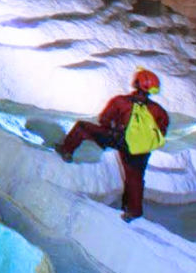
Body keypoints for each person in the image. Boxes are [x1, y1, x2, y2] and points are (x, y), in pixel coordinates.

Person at [55, 68, 170, 221]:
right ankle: (133, 211)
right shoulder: (158, 110)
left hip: (119, 140)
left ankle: (66, 151)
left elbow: (104, 119)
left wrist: (112, 132)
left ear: (136, 84)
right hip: (141, 150)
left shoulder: (120, 101)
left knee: (82, 127)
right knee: (134, 178)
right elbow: (161, 131)